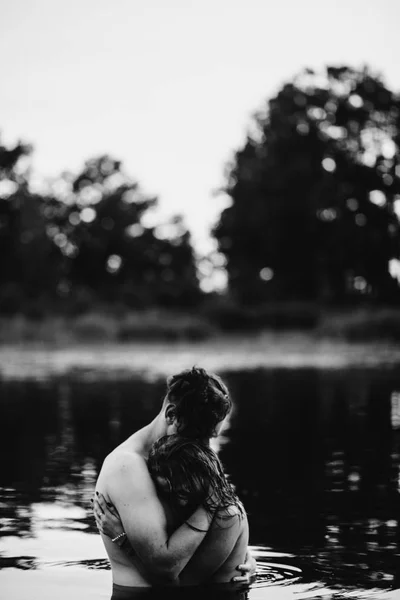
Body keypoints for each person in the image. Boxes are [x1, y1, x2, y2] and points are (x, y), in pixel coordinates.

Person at [93, 367, 255, 596]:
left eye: (211, 437)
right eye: (198, 435)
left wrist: (237, 553)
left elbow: (222, 516)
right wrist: (121, 537)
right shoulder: (127, 467)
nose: (205, 447)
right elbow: (165, 569)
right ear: (171, 415)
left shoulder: (186, 460)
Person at [95, 434, 249, 597]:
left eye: (184, 491)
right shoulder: (199, 502)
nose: (179, 502)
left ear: (201, 477)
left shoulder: (227, 516)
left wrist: (121, 538)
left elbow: (174, 587)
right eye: (168, 492)